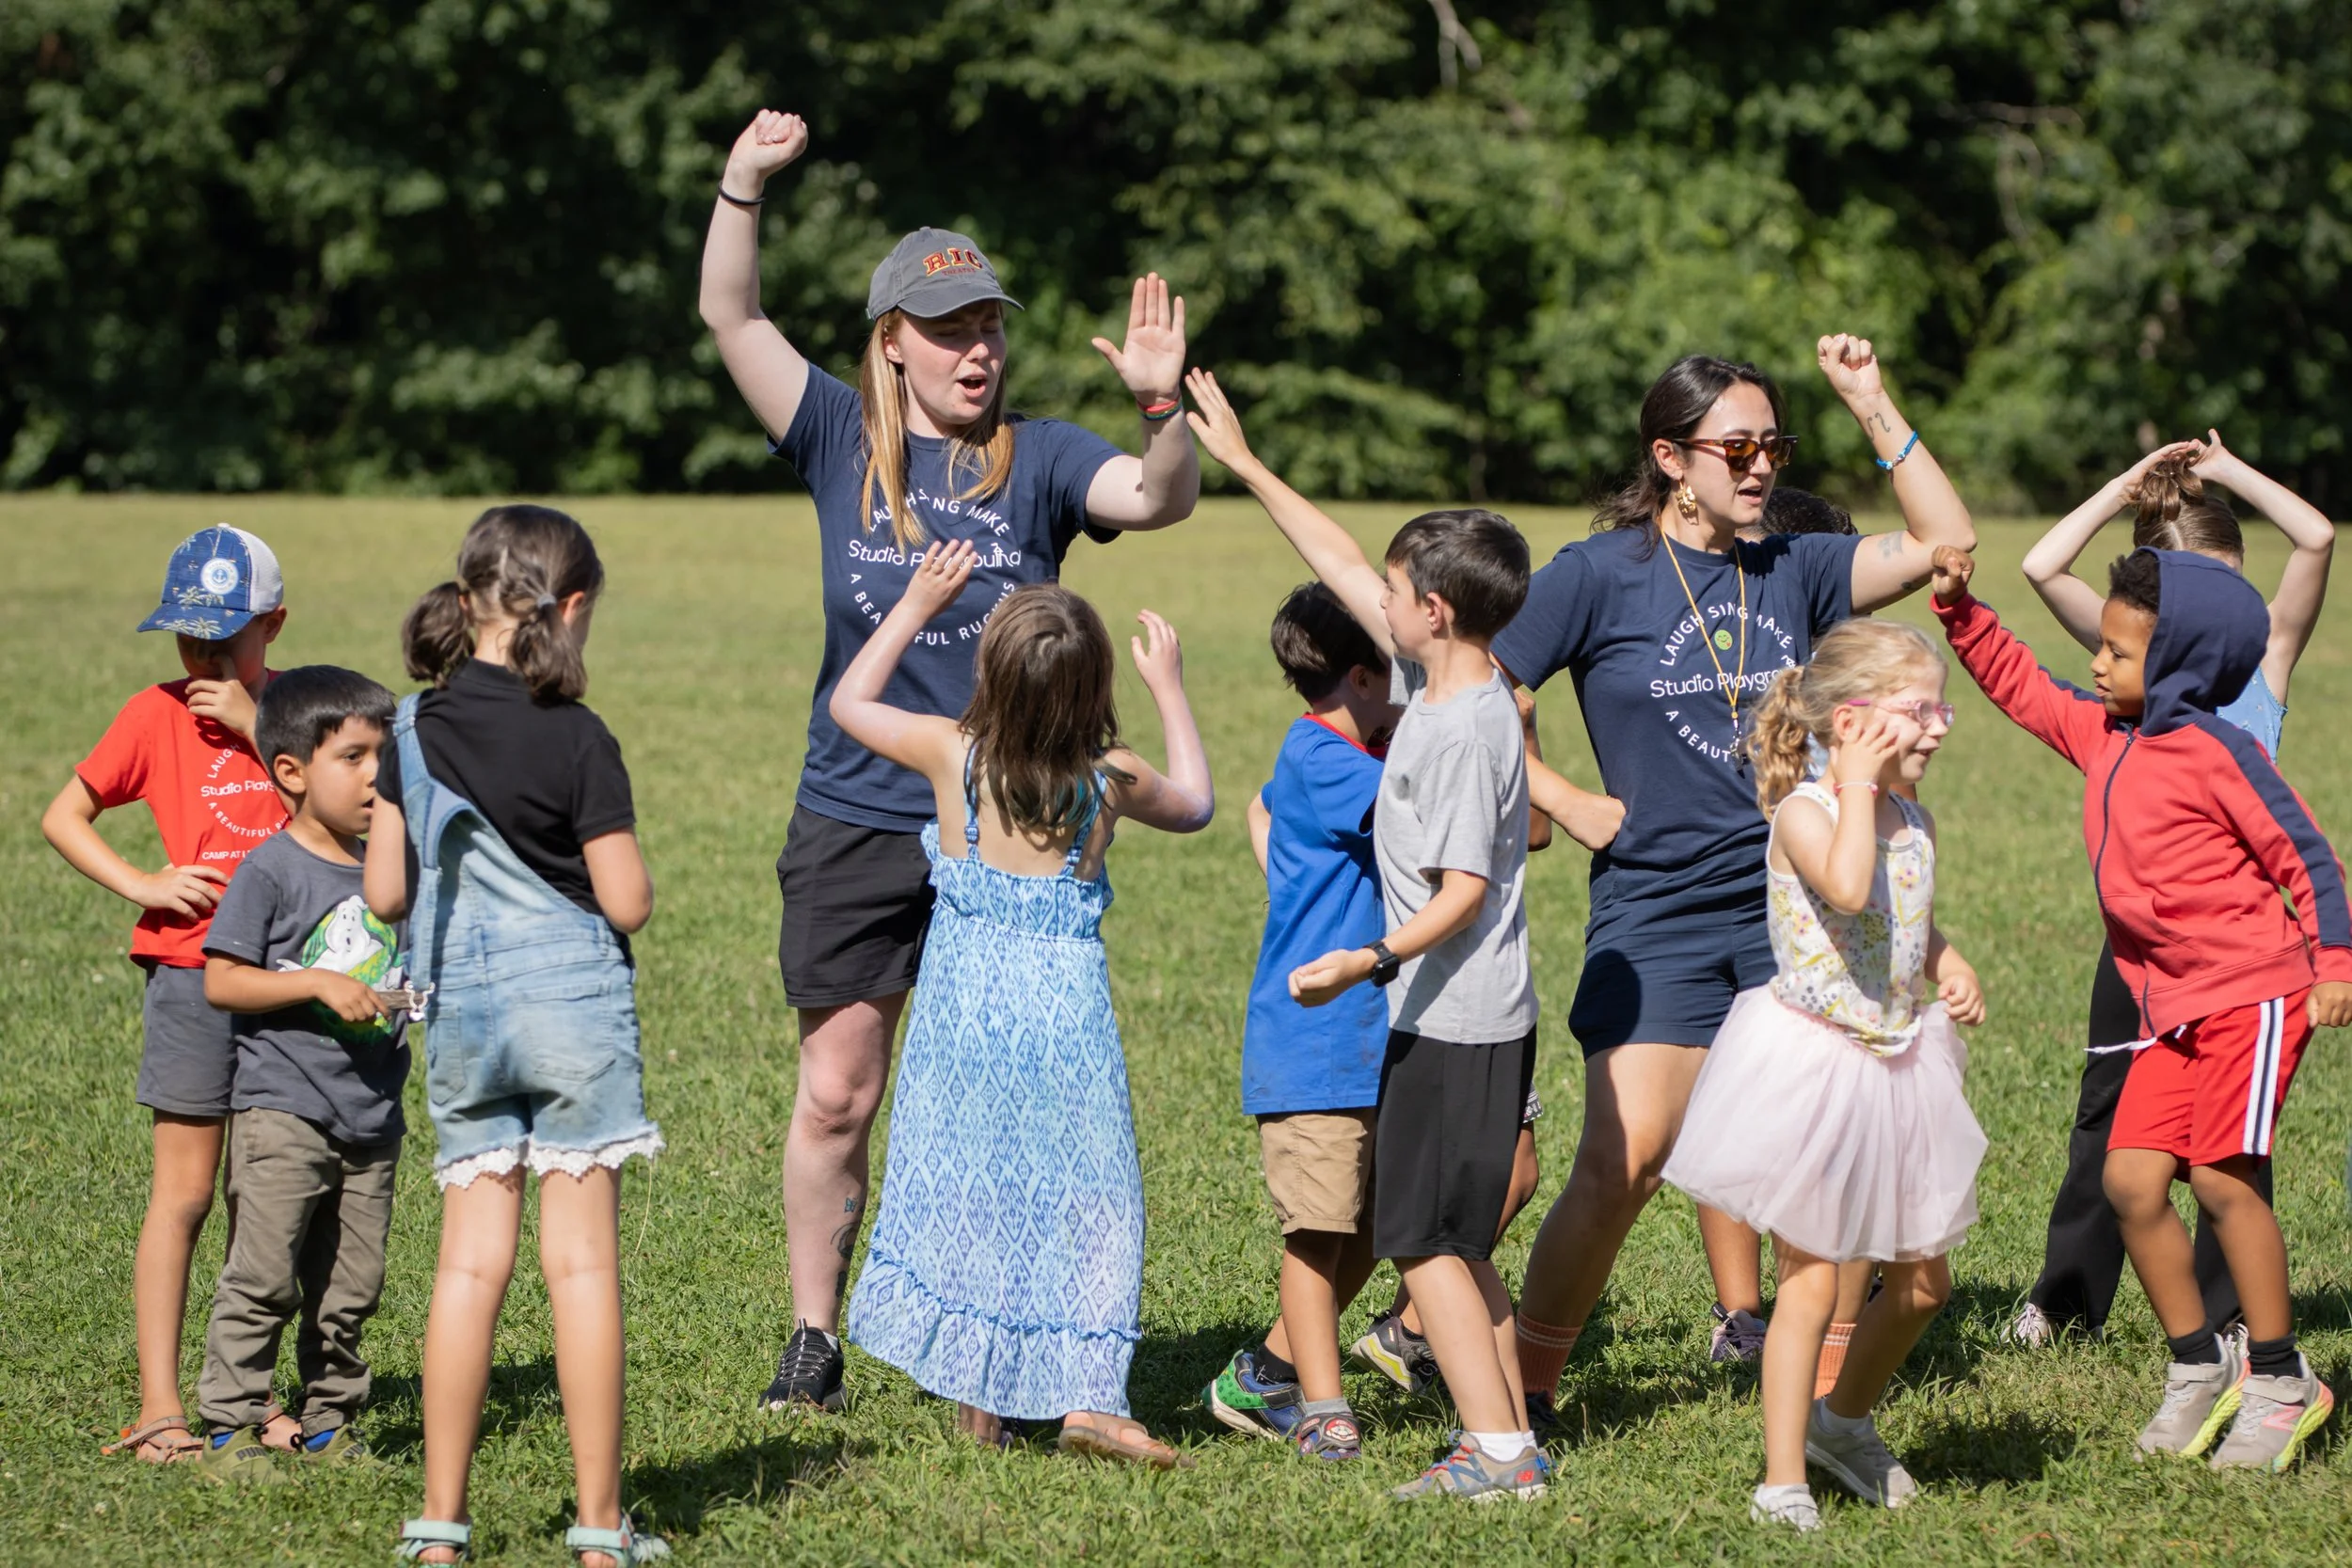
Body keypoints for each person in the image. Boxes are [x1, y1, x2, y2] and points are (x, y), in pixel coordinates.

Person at [696, 107, 1201, 1412]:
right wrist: (744, 184)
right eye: (950, 327)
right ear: (893, 343)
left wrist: (1159, 406)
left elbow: (1157, 499)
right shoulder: (830, 437)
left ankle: (1001, 1344)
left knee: (1013, 1101)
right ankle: (817, 1334)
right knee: (838, 1089)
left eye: (989, 324)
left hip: (1013, 826)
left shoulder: (1037, 457)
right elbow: (732, 318)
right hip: (860, 808)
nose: (978, 348)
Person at [1491, 337, 1977, 1408]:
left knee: (1833, 1153)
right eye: (1737, 448)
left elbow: (1947, 539)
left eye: (1772, 445)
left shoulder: (1791, 565)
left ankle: (1830, 1405)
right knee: (1626, 1162)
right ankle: (1519, 1399)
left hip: (1792, 905)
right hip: (1653, 903)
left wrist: (1869, 398)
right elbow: (1471, 686)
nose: (1760, 467)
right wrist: (1561, 796)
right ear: (1671, 457)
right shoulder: (1594, 574)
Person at [1186, 368, 1550, 1503]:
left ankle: (1494, 1453)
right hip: (1492, 1008)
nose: (1371, 596)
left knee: (1427, 1240)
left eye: (1392, 590)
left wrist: (1367, 958)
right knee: (1456, 1232)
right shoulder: (1467, 682)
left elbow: (1464, 887)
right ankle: (1509, 1433)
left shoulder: (1439, 731)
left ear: (1427, 613)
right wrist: (1245, 465)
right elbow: (1342, 552)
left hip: (1444, 1007)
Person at [1935, 545, 2351, 1471]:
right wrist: (1963, 615)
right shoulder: (2102, 734)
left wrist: (2336, 962)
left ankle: (2281, 1378)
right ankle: (2197, 1362)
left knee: (2220, 1179)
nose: (2097, 661)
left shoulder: (2218, 753)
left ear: (2176, 663)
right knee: (2128, 1181)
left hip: (2254, 993)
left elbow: (2306, 856)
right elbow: (2020, 683)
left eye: (2119, 653)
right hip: (2172, 1005)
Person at [831, 542, 1214, 1466]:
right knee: (1093, 1198)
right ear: (1093, 689)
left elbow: (848, 703)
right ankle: (1088, 1394)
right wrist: (1168, 684)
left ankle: (982, 1403)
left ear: (989, 672)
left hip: (963, 1011)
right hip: (1062, 1013)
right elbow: (1197, 800)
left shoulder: (948, 751)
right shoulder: (1107, 776)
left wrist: (915, 604)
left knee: (973, 1188)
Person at [369, 507, 667, 1568]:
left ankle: (440, 1525)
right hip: (575, 1016)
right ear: (571, 609)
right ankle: (597, 1527)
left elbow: (387, 887)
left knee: (466, 1269)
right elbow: (624, 900)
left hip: (462, 1018)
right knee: (580, 1267)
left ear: (464, 605)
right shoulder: (581, 736)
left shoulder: (407, 729)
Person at [2010, 433, 2336, 1348]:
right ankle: (2066, 1298)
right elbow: (2041, 564)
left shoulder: (2262, 656)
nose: (2222, 604)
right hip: (2143, 945)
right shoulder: (2133, 654)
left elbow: (2314, 539)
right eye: (2198, 583)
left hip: (2234, 952)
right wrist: (2122, 488)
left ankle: (2225, 1318)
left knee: (2228, 1149)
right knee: (2108, 1115)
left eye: (2232, 583)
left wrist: (2226, 473)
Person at [1661, 620, 1987, 1529]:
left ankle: (1839, 1423)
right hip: (1817, 1062)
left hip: (1897, 1062)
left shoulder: (1912, 818)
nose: (1939, 726)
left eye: (1940, 707)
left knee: (1925, 1284)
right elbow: (1846, 888)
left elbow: (1896, 915)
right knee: (1810, 1276)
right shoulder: (1807, 810)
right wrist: (1849, 783)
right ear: (1851, 722)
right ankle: (1780, 1478)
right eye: (1918, 710)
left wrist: (1946, 962)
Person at [42, 526, 292, 1465]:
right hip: (190, 977)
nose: (207, 660)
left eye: (228, 639)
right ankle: (160, 1402)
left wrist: (256, 728)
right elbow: (62, 813)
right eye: (191, 640)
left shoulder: (300, 710)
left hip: (284, 987)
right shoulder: (152, 715)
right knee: (184, 1191)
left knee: (264, 1198)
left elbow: (356, 806)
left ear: (274, 622)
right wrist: (144, 883)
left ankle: (249, 1391)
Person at [1200, 583, 1398, 1461]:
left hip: (1372, 1031)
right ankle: (1323, 1405)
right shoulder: (1329, 758)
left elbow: (1267, 814)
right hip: (1317, 1038)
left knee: (1378, 1226)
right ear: (1363, 674)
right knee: (1318, 1233)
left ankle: (1270, 1369)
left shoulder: (1345, 747)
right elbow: (1423, 816)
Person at [195, 666, 409, 1478]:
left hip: (371, 1115)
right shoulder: (271, 871)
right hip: (282, 1108)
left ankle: (329, 1424)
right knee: (262, 1275)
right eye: (352, 757)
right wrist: (315, 981)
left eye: (382, 758)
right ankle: (228, 1425)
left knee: (350, 1287)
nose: (373, 778)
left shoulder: (393, 875)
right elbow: (222, 979)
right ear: (291, 771)